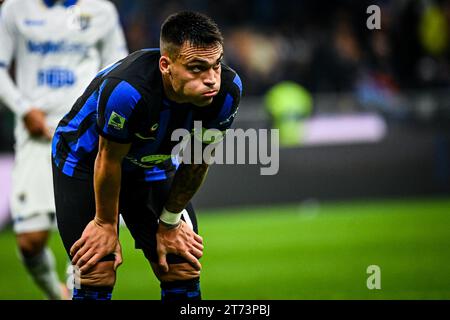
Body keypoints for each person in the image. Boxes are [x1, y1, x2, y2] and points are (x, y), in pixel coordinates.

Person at [51, 11, 242, 300]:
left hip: (150, 164)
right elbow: (108, 158)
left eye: (216, 65)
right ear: (166, 65)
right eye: (196, 68)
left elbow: (198, 158)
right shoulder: (127, 90)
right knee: (95, 269)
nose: (211, 80)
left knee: (181, 264)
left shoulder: (228, 91)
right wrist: (104, 224)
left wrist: (170, 221)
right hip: (85, 163)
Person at [0, 0, 127, 300]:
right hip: (36, 134)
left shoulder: (101, 10)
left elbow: (120, 68)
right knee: (30, 242)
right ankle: (57, 295)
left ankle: (79, 294)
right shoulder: (15, 9)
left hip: (84, 137)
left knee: (89, 243)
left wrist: (103, 117)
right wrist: (24, 109)